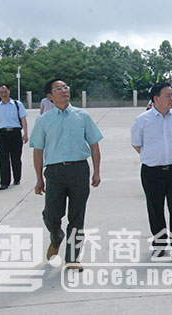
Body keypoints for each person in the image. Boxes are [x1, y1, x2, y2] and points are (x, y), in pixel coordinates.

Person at [30, 79, 103, 271]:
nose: (64, 90)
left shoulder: (82, 116)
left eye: (65, 87)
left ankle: (72, 258)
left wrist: (96, 171)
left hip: (79, 170)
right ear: (50, 96)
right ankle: (56, 236)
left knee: (77, 216)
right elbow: (38, 151)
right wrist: (39, 179)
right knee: (51, 214)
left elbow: (94, 144)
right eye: (58, 89)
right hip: (54, 172)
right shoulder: (43, 120)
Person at [131, 82, 172, 262]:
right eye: (168, 95)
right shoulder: (142, 120)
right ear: (156, 99)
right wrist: (153, 157)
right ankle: (159, 244)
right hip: (152, 172)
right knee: (155, 208)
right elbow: (136, 144)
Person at [0, 84, 28, 190]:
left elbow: (23, 119)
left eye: (5, 91)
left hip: (15, 133)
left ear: (9, 91)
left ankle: (17, 178)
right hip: (2, 134)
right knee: (3, 159)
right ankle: (4, 182)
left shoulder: (17, 104)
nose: (4, 94)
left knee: (16, 157)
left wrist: (25, 133)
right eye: (1, 92)